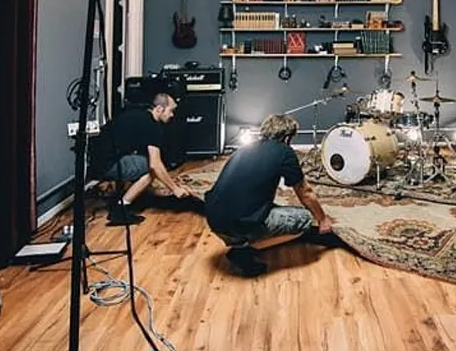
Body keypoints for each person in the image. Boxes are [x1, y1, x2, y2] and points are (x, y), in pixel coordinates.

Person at [204, 113, 335, 277]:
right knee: (305, 219)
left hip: (214, 218)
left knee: (265, 207)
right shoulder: (285, 152)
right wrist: (322, 219)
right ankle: (243, 251)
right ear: (287, 137)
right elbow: (305, 192)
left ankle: (241, 241)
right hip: (237, 225)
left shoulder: (243, 149)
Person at [92, 92, 195, 226]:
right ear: (159, 109)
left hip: (95, 160)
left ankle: (130, 198)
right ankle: (121, 209)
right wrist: (175, 189)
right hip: (107, 164)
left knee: (145, 162)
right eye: (171, 111)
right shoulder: (152, 126)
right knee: (151, 169)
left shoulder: (138, 115)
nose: (172, 115)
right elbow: (155, 165)